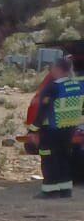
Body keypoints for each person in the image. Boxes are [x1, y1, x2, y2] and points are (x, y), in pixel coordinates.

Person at [33, 55, 84, 198]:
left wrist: (33, 130)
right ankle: (65, 190)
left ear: (57, 69)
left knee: (49, 159)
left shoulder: (52, 88)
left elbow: (42, 111)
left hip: (51, 130)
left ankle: (50, 191)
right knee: (64, 158)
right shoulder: (79, 86)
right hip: (70, 129)